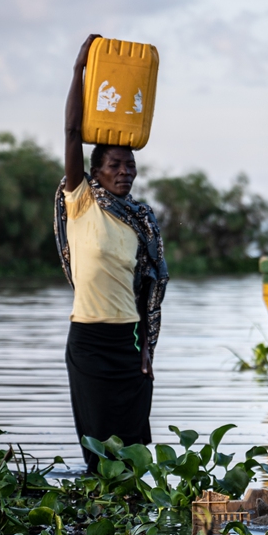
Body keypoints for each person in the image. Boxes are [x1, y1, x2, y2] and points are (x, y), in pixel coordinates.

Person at [53, 33, 169, 473]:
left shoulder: (141, 219)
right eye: (114, 166)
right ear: (94, 172)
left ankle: (136, 528)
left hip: (130, 342)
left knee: (135, 451)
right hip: (89, 343)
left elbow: (152, 287)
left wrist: (147, 351)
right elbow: (69, 132)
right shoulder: (81, 200)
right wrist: (80, 69)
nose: (124, 172)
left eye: (130, 165)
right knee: (98, 450)